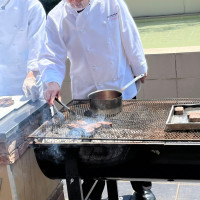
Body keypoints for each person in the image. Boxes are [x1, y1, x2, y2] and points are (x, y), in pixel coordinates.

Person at [39, 0, 155, 199]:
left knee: (133, 140)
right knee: (92, 145)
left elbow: (129, 35)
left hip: (120, 87)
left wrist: (139, 66)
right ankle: (94, 188)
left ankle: (141, 188)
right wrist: (52, 82)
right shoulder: (56, 17)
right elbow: (52, 57)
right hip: (86, 94)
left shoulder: (111, 3)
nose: (76, 1)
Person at [0, 0, 46, 101]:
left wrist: (31, 74)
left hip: (28, 80)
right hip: (2, 83)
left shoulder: (32, 5)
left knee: (34, 114)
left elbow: (37, 43)